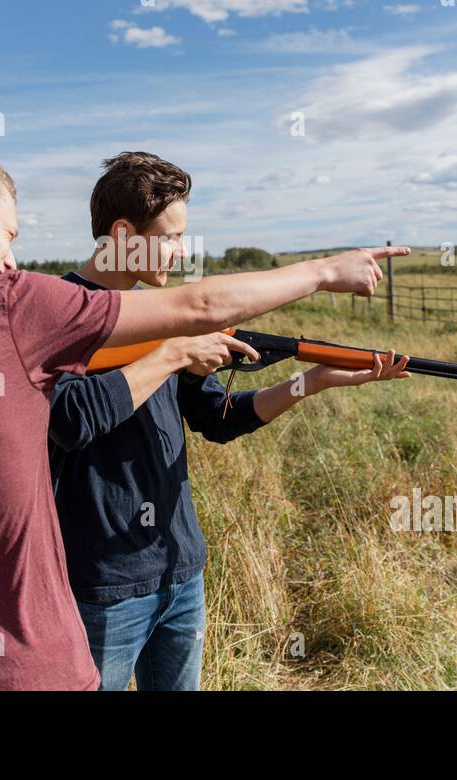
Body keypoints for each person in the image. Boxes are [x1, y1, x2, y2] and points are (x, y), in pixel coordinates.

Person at [0, 137, 408, 690]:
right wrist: (326, 270)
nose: (10, 259)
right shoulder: (10, 307)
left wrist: (312, 381)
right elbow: (200, 309)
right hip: (40, 658)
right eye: (7, 234)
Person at [48, 152, 411, 690]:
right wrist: (170, 354)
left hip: (181, 574)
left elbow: (217, 418)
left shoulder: (165, 317)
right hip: (102, 585)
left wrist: (310, 382)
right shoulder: (60, 311)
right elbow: (71, 420)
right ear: (123, 234)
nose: (181, 251)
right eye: (171, 237)